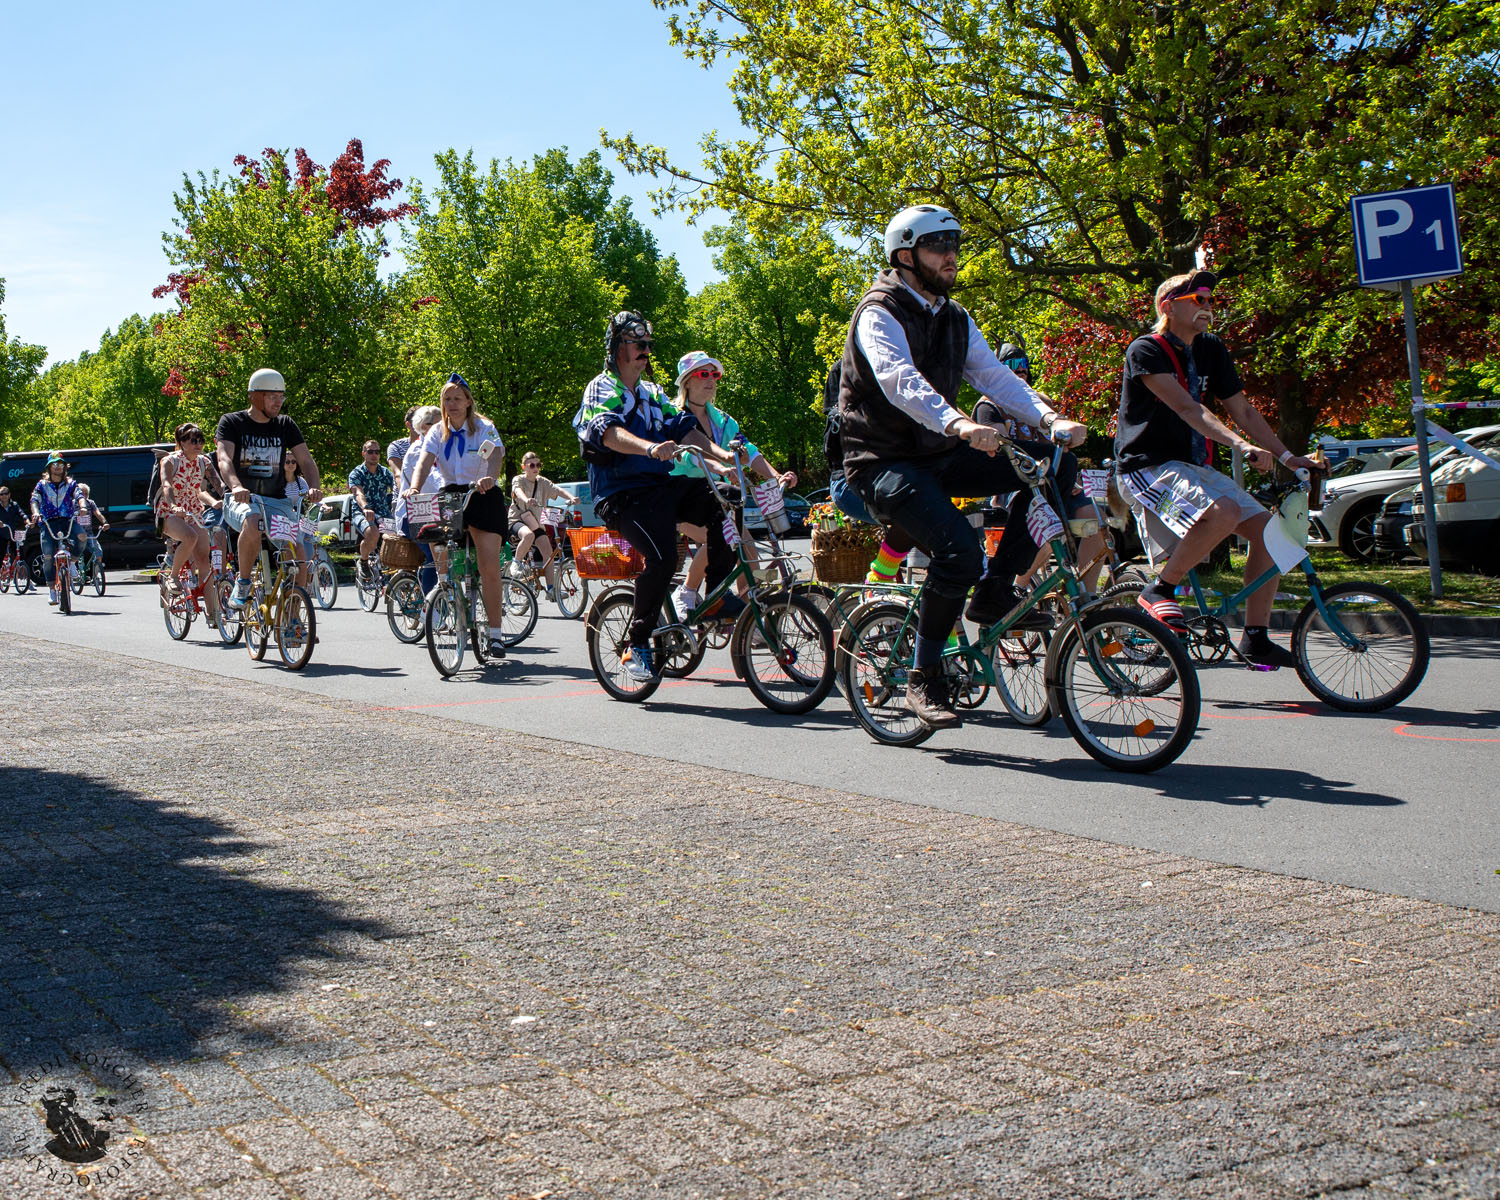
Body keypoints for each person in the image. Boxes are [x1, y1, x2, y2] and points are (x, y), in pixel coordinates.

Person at [839, 204, 1086, 728]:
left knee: (1054, 465)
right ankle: (922, 678)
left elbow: (994, 377)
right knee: (957, 552)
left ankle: (996, 593)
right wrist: (958, 424)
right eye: (938, 246)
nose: (951, 256)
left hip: (939, 454)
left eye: (955, 244)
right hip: (882, 462)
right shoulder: (878, 311)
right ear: (905, 255)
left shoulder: (953, 315)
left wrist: (1049, 418)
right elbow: (897, 379)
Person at [1114, 270, 1322, 668]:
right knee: (1222, 512)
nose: (1208, 307)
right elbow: (1188, 408)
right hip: (1147, 466)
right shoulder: (1146, 349)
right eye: (1198, 300)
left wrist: (1287, 456)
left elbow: (1242, 409)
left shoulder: (1211, 348)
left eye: (1211, 300)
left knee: (1273, 536)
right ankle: (1159, 590)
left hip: (1193, 466)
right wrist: (1240, 445)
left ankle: (1256, 638)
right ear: (1168, 306)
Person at [573, 311, 742, 682]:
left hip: (660, 489)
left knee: (726, 500)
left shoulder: (652, 392)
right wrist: (650, 449)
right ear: (618, 348)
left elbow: (684, 428)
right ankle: (636, 642)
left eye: (648, 345)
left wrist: (722, 457)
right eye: (638, 344)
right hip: (621, 494)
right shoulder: (602, 387)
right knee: (663, 558)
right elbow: (607, 433)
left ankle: (712, 599)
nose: (646, 350)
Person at [669, 351, 797, 610]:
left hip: (716, 498)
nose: (711, 380)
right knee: (724, 538)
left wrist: (775, 475)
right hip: (682, 498)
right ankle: (687, 593)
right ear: (687, 382)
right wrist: (720, 468)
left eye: (714, 375)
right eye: (703, 374)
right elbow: (687, 457)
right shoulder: (675, 417)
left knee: (745, 544)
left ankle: (750, 606)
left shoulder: (723, 420)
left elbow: (748, 451)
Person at [405, 374, 509, 660]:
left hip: (482, 493)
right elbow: (425, 462)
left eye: (457, 398)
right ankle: (451, 601)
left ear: (468, 402)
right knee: (443, 552)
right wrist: (414, 487)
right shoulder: (438, 431)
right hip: (452, 494)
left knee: (488, 565)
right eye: (447, 399)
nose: (451, 404)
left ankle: (497, 634)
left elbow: (497, 453)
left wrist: (491, 476)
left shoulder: (484, 427)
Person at [215, 368, 324, 610]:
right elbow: (224, 459)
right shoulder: (232, 422)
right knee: (252, 521)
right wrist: (235, 486)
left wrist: (314, 488)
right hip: (242, 499)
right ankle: (243, 582)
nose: (278, 402)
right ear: (254, 396)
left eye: (281, 396)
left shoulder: (285, 424)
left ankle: (293, 619)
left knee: (298, 556)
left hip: (277, 503)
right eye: (272, 396)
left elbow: (305, 460)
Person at [823, 362, 916, 584]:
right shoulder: (844, 370)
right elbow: (839, 418)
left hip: (890, 478)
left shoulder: (899, 367)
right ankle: (878, 582)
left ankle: (890, 588)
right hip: (852, 482)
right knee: (916, 516)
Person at [155, 423, 220, 619]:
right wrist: (174, 506)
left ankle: (213, 613)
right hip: (169, 512)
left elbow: (208, 487)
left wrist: (221, 499)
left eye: (201, 440)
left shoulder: (203, 462)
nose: (198, 444)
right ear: (182, 443)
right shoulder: (169, 461)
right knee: (189, 537)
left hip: (194, 512)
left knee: (204, 562)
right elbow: (166, 485)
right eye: (193, 440)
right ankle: (173, 577)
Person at [508, 452, 569, 602]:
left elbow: (557, 489)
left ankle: (551, 590)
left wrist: (571, 498)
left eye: (538, 465)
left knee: (548, 554)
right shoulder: (518, 479)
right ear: (524, 467)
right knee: (528, 536)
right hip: (517, 519)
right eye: (532, 465)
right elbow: (517, 491)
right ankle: (515, 564)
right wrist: (526, 499)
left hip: (535, 522)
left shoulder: (542, 482)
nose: (536, 468)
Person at [395, 405, 443, 594]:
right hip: (413, 516)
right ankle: (431, 609)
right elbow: (432, 479)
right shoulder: (418, 451)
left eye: (443, 423)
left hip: (436, 514)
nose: (440, 427)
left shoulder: (441, 447)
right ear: (422, 426)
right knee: (435, 555)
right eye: (434, 424)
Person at [29, 453, 86, 605]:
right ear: (49, 467)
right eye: (54, 464)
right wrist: (35, 513)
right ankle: (52, 591)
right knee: (48, 556)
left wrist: (83, 506)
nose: (57, 467)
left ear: (64, 467)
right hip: (48, 522)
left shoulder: (70, 483)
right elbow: (34, 500)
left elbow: (79, 494)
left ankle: (73, 561)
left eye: (60, 464)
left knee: (82, 536)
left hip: (67, 520)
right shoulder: (42, 485)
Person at [348, 439, 395, 573]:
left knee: (396, 538)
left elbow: (396, 489)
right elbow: (358, 493)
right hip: (362, 512)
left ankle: (396, 575)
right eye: (370, 452)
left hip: (383, 512)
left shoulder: (385, 473)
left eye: (377, 452)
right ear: (364, 453)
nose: (374, 455)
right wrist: (365, 507)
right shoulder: (357, 473)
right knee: (372, 533)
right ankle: (363, 561)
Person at [387, 406, 419, 480]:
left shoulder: (432, 444)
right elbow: (398, 474)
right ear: (408, 424)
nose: (421, 425)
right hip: (404, 490)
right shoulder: (396, 446)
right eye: (417, 421)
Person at [0, 485, 27, 568]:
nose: (4, 496)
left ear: (9, 494)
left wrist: (27, 520)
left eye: (6, 493)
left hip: (12, 534)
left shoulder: (14, 505)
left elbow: (21, 513)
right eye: (1, 494)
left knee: (20, 553)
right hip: (1, 534)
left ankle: (20, 571)